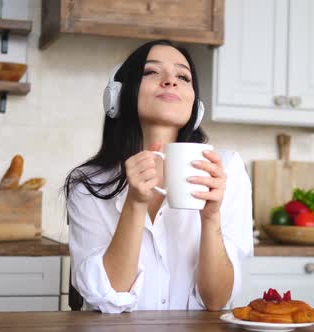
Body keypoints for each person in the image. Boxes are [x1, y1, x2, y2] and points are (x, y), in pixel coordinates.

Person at [64, 40, 253, 313]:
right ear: (118, 95)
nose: (170, 81)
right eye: (151, 72)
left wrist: (211, 218)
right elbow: (107, 298)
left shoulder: (225, 169)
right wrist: (135, 203)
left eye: (183, 76)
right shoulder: (87, 183)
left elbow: (217, 301)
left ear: (195, 105)